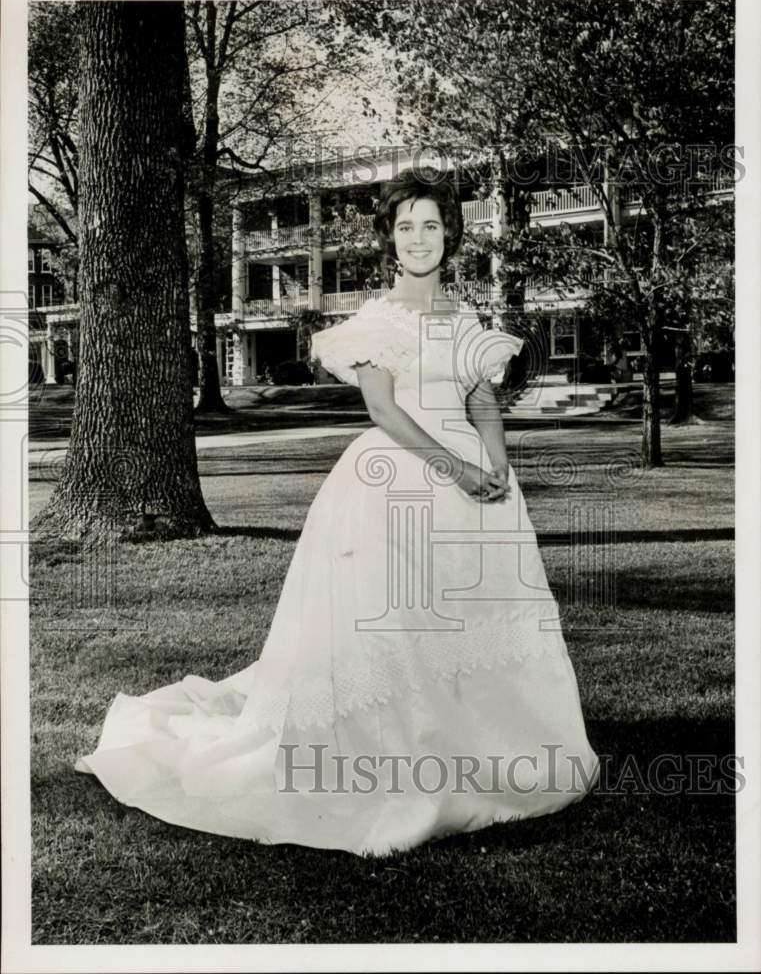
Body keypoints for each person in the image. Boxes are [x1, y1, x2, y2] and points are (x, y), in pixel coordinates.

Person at [76, 168, 599, 856]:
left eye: (431, 225)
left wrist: (495, 457)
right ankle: (397, 762)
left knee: (478, 614)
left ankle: (486, 747)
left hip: (477, 483)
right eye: (405, 226)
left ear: (450, 235)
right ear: (389, 239)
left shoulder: (465, 316)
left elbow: (476, 396)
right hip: (401, 479)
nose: (419, 239)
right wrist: (458, 467)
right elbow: (383, 411)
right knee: (399, 626)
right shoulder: (377, 321)